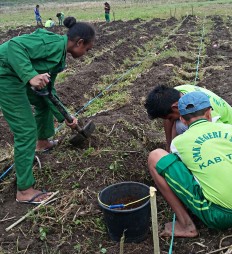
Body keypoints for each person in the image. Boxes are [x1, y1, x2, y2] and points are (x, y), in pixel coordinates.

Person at [0, 17, 95, 204]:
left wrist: (65, 116)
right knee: (26, 130)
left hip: (18, 73)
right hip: (5, 74)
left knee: (43, 103)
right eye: (87, 49)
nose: (86, 53)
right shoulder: (50, 43)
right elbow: (14, 47)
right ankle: (24, 190)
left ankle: (42, 142)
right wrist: (30, 76)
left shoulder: (59, 56)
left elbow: (47, 91)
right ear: (80, 42)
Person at [148, 91, 232, 237]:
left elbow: (185, 172)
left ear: (182, 120)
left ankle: (187, 225)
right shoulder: (229, 128)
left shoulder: (179, 143)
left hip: (221, 215)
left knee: (156, 156)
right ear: (208, 113)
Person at [145, 84, 232, 151]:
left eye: (170, 118)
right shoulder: (175, 93)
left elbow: (221, 138)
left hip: (226, 127)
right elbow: (168, 118)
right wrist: (169, 145)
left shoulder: (205, 111)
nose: (170, 120)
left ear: (175, 108)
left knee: (180, 126)